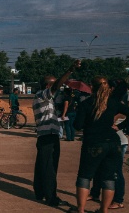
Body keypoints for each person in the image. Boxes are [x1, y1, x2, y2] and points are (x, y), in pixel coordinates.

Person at [73, 77, 129, 213]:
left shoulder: (87, 103)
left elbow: (77, 125)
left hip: (94, 143)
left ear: (91, 87)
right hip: (113, 143)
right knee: (109, 177)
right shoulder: (113, 103)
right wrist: (119, 126)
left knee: (85, 176)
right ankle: (103, 209)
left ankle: (81, 209)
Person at [32, 60, 80, 207]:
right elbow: (58, 84)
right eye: (55, 86)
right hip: (48, 136)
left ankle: (40, 192)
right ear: (48, 86)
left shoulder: (48, 99)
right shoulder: (42, 95)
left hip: (47, 136)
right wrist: (69, 70)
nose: (59, 89)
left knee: (42, 165)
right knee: (50, 168)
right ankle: (51, 197)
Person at [89, 110, 129, 210]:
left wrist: (117, 124)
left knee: (116, 172)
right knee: (98, 169)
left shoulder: (117, 109)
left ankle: (118, 200)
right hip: (106, 143)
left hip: (119, 143)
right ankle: (95, 193)